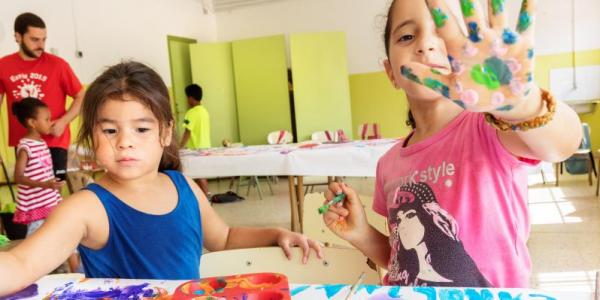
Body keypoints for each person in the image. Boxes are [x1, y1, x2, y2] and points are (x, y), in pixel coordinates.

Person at [0, 61, 322, 296]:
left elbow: (223, 237)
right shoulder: (87, 207)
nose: (125, 141)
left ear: (166, 131)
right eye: (110, 130)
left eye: (141, 129)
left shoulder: (184, 187)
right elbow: (21, 263)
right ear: (92, 136)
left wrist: (275, 232)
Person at [322, 0, 581, 288]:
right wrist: (361, 233)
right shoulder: (389, 163)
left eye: (444, 34)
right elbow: (403, 255)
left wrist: (519, 104)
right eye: (407, 36)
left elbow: (564, 144)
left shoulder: (491, 127)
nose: (425, 45)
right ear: (391, 72)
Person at [0, 12, 85, 181]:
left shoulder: (58, 65)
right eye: (34, 39)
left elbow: (81, 96)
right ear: (18, 36)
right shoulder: (3, 66)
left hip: (54, 140)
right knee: (31, 192)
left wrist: (63, 121)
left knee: (53, 193)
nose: (41, 45)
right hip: (24, 142)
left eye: (44, 39)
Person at [11, 98, 64, 236]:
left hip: (50, 200)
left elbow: (45, 171)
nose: (50, 122)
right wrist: (45, 184)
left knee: (63, 235)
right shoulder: (25, 147)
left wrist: (54, 185)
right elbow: (18, 177)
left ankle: (74, 258)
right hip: (37, 206)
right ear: (32, 122)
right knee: (38, 241)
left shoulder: (41, 143)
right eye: (47, 119)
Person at [179, 84, 211, 197]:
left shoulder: (191, 113)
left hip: (195, 149)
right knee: (201, 174)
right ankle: (204, 195)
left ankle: (206, 196)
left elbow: (187, 132)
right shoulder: (204, 111)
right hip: (206, 146)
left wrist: (180, 147)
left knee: (199, 174)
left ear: (190, 98)